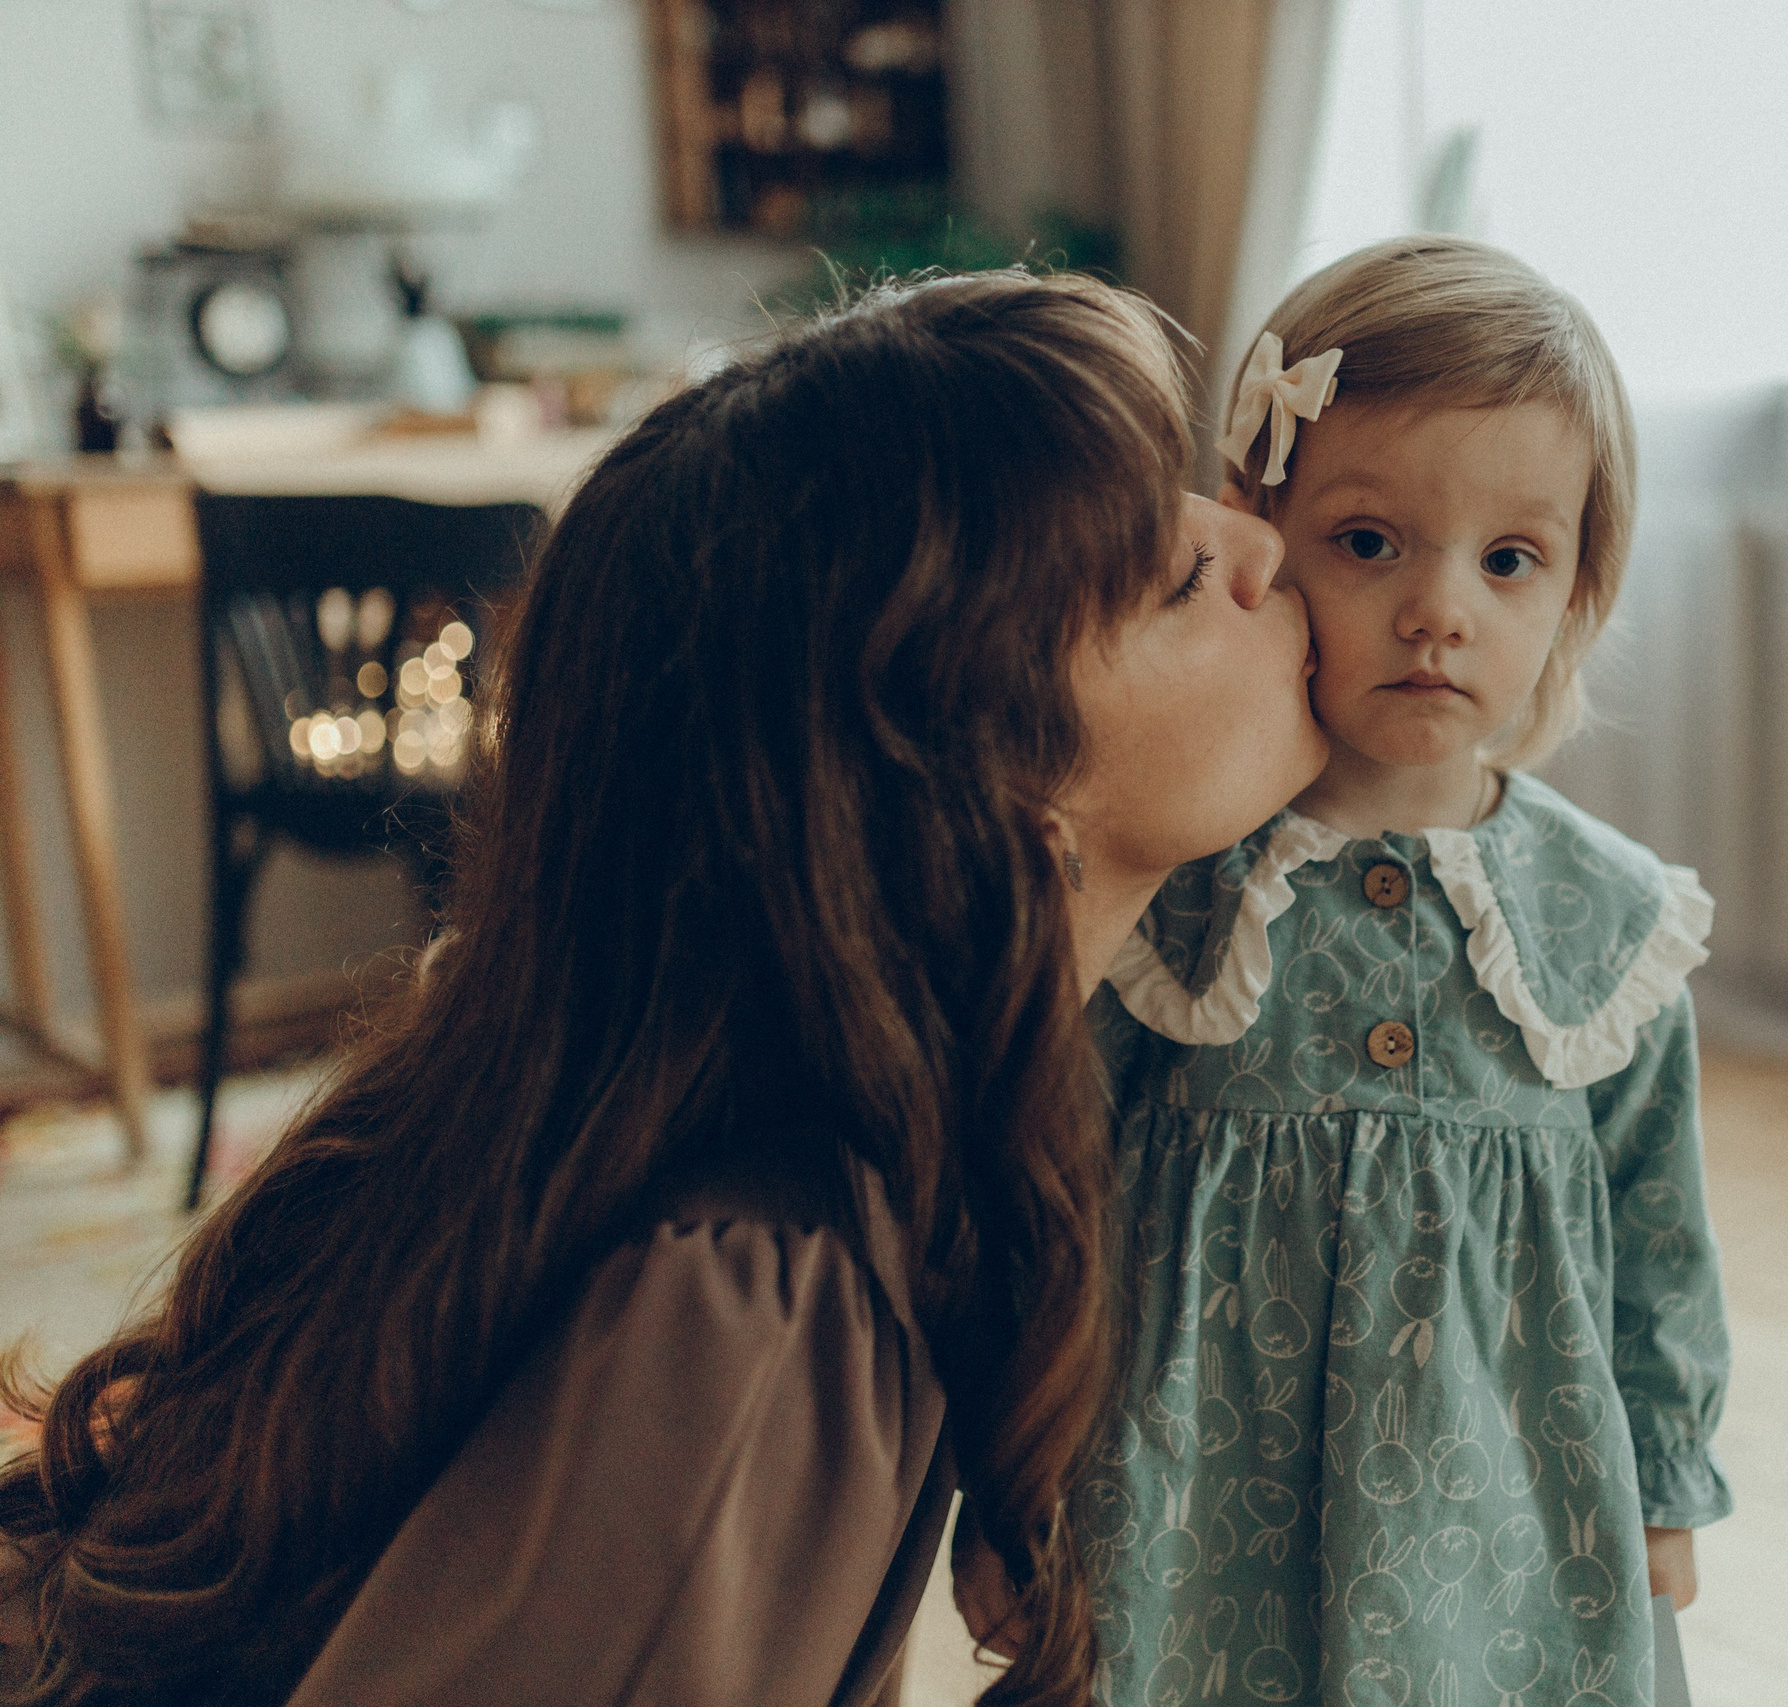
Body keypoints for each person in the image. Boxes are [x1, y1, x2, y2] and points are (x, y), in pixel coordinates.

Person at [0, 268, 1328, 1707]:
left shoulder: (854, 1166)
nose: (1263, 548)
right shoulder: (756, 1308)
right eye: (1178, 578)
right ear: (976, 792)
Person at [1071, 236, 1732, 1707]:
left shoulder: (1606, 925)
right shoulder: (1175, 886)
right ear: (1262, 539)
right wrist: (1021, 1477)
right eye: (1370, 542)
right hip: (1195, 1515)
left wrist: (1666, 1476)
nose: (1441, 609)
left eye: (1509, 561)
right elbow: (1060, 1186)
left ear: (1576, 590)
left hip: (1507, 1516)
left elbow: (1661, 1231)